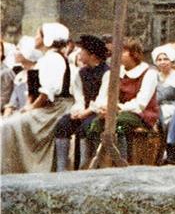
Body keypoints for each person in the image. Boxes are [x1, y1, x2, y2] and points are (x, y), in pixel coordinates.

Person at [1, 23, 73, 174]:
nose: (36, 38)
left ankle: (26, 168)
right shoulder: (44, 59)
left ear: (48, 38)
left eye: (38, 35)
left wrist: (32, 108)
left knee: (10, 126)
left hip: (54, 108)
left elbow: (47, 93)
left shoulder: (54, 59)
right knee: (9, 122)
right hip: (43, 106)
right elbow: (34, 91)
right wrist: (28, 106)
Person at [86, 37, 159, 162]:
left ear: (134, 54)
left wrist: (118, 108)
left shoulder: (148, 73)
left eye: (122, 52)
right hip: (114, 113)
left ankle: (121, 160)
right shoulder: (114, 73)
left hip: (141, 115)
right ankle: (101, 161)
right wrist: (103, 108)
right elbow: (104, 96)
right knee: (95, 125)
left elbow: (141, 103)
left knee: (118, 125)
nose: (117, 55)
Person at [53, 34, 110, 172]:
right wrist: (77, 111)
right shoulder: (81, 73)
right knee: (63, 124)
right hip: (83, 111)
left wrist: (87, 112)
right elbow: (79, 97)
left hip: (98, 112)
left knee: (86, 126)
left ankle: (84, 166)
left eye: (82, 51)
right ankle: (62, 168)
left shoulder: (107, 73)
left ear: (92, 55)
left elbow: (103, 98)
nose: (79, 54)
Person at [2, 36, 42, 116]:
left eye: (18, 49)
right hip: (18, 116)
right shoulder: (19, 76)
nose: (14, 53)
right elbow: (12, 102)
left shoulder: (40, 74)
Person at [152, 43, 175, 128]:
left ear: (172, 61)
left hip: (172, 110)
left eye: (166, 59)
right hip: (155, 110)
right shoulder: (154, 77)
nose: (162, 62)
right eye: (159, 60)